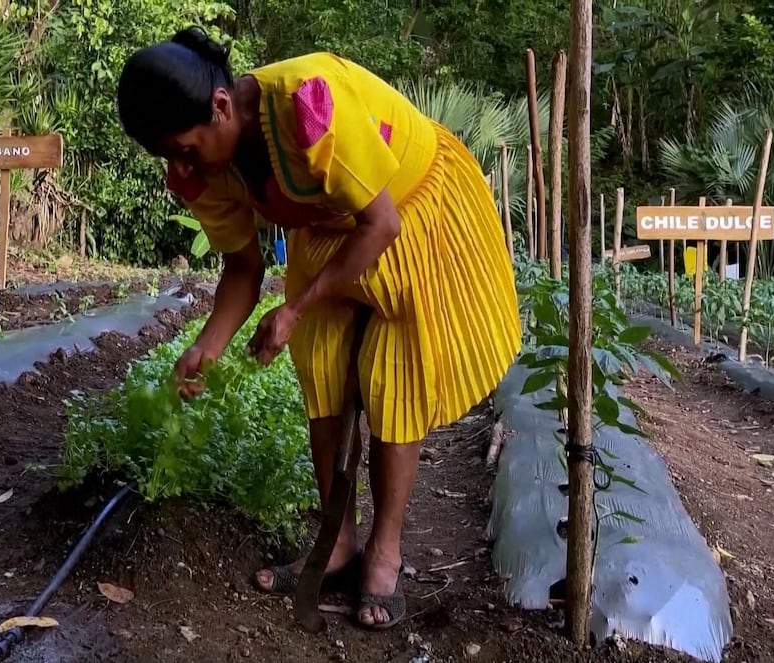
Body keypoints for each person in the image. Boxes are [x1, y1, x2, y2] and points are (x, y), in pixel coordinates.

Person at [116, 27, 521, 630]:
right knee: (324, 375)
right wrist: (208, 344)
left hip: (408, 212)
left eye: (185, 149)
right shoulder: (207, 164)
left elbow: (379, 223)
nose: (181, 167)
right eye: (169, 156)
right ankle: (338, 544)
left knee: (392, 382)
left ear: (221, 107)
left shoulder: (309, 103)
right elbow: (243, 267)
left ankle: (385, 554)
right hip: (327, 232)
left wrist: (296, 306)